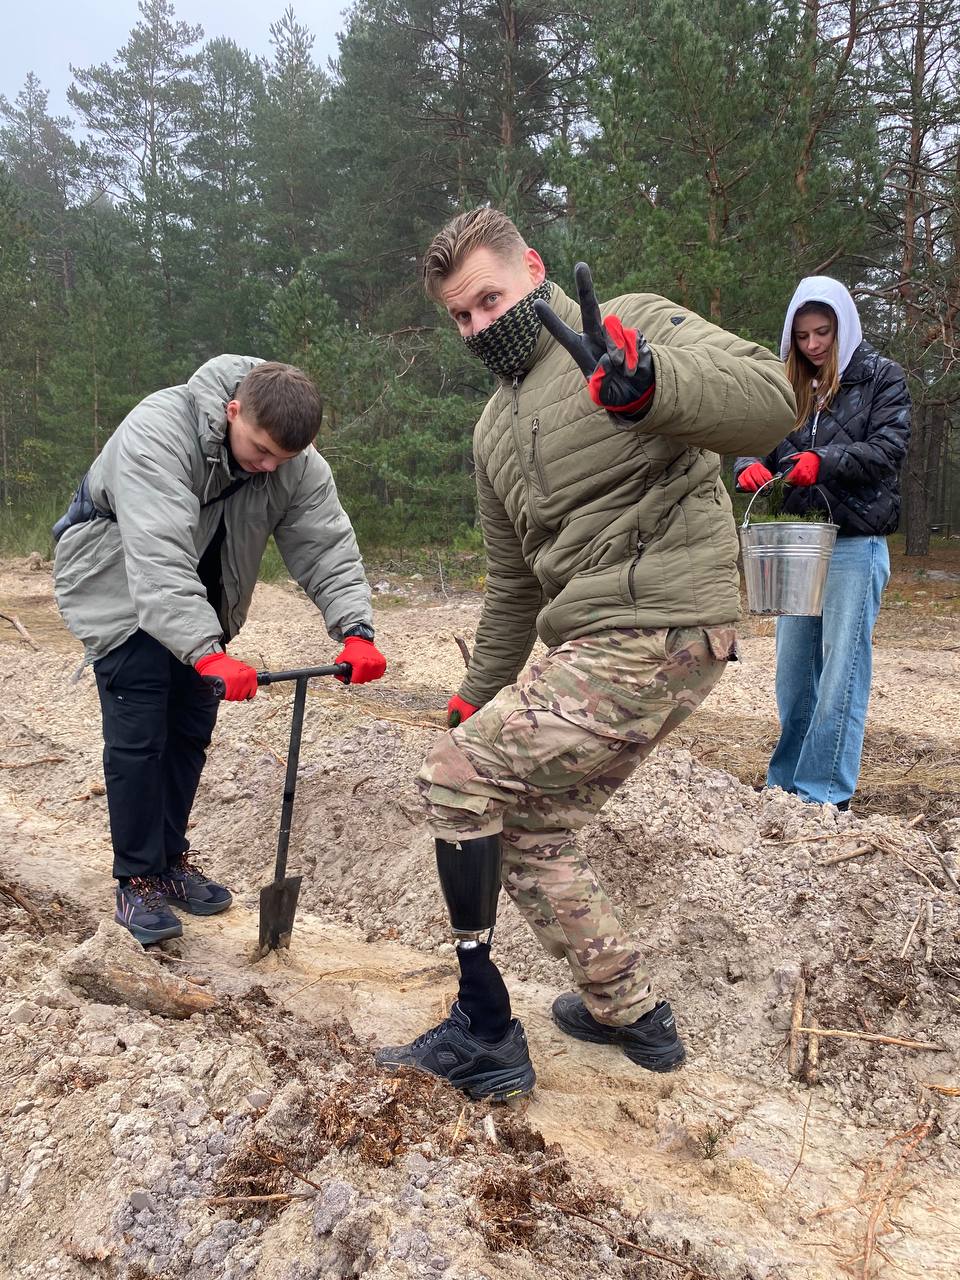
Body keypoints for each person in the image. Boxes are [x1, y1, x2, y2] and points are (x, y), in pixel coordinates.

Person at [374, 207, 796, 1100]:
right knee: (523, 828)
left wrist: (653, 388)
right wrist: (472, 698)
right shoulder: (493, 432)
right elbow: (514, 589)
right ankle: (630, 1012)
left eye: (491, 298)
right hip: (591, 642)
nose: (481, 326)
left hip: (664, 623)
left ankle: (484, 1030)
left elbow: (772, 401)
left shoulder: (628, 325)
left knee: (456, 775)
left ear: (532, 268)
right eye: (462, 316)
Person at [53, 357, 387, 945]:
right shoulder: (159, 431)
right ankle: (136, 881)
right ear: (233, 410)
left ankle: (170, 860)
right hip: (119, 588)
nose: (267, 467)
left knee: (188, 730)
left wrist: (355, 628)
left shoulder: (294, 463)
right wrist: (206, 653)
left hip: (205, 604)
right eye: (260, 450)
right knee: (140, 737)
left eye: (282, 459)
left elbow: (325, 544)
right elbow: (156, 558)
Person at [735, 277, 911, 811]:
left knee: (841, 672)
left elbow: (889, 448)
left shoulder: (882, 378)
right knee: (793, 673)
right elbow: (753, 440)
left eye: (824, 332)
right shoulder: (786, 388)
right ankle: (786, 783)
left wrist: (825, 462)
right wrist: (750, 466)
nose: (813, 345)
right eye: (804, 334)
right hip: (795, 544)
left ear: (844, 327)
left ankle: (825, 792)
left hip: (856, 544)